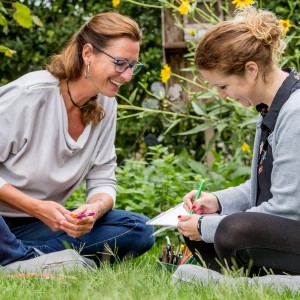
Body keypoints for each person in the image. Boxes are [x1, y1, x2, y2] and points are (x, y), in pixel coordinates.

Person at [0, 11, 155, 270]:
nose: (127, 76)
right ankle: (23, 260)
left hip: (37, 226)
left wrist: (93, 210)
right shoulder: (29, 95)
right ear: (88, 54)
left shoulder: (107, 105)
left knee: (139, 229)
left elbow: (103, 180)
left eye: (132, 66)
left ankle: (25, 258)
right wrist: (36, 207)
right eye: (120, 63)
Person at [176, 7, 300, 276]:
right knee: (201, 228)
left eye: (223, 86)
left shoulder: (295, 112)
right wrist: (217, 202)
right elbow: (261, 190)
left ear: (251, 70)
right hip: (286, 233)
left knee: (231, 231)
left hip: (292, 224)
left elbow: (288, 210)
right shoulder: (270, 109)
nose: (222, 95)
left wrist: (209, 227)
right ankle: (254, 271)